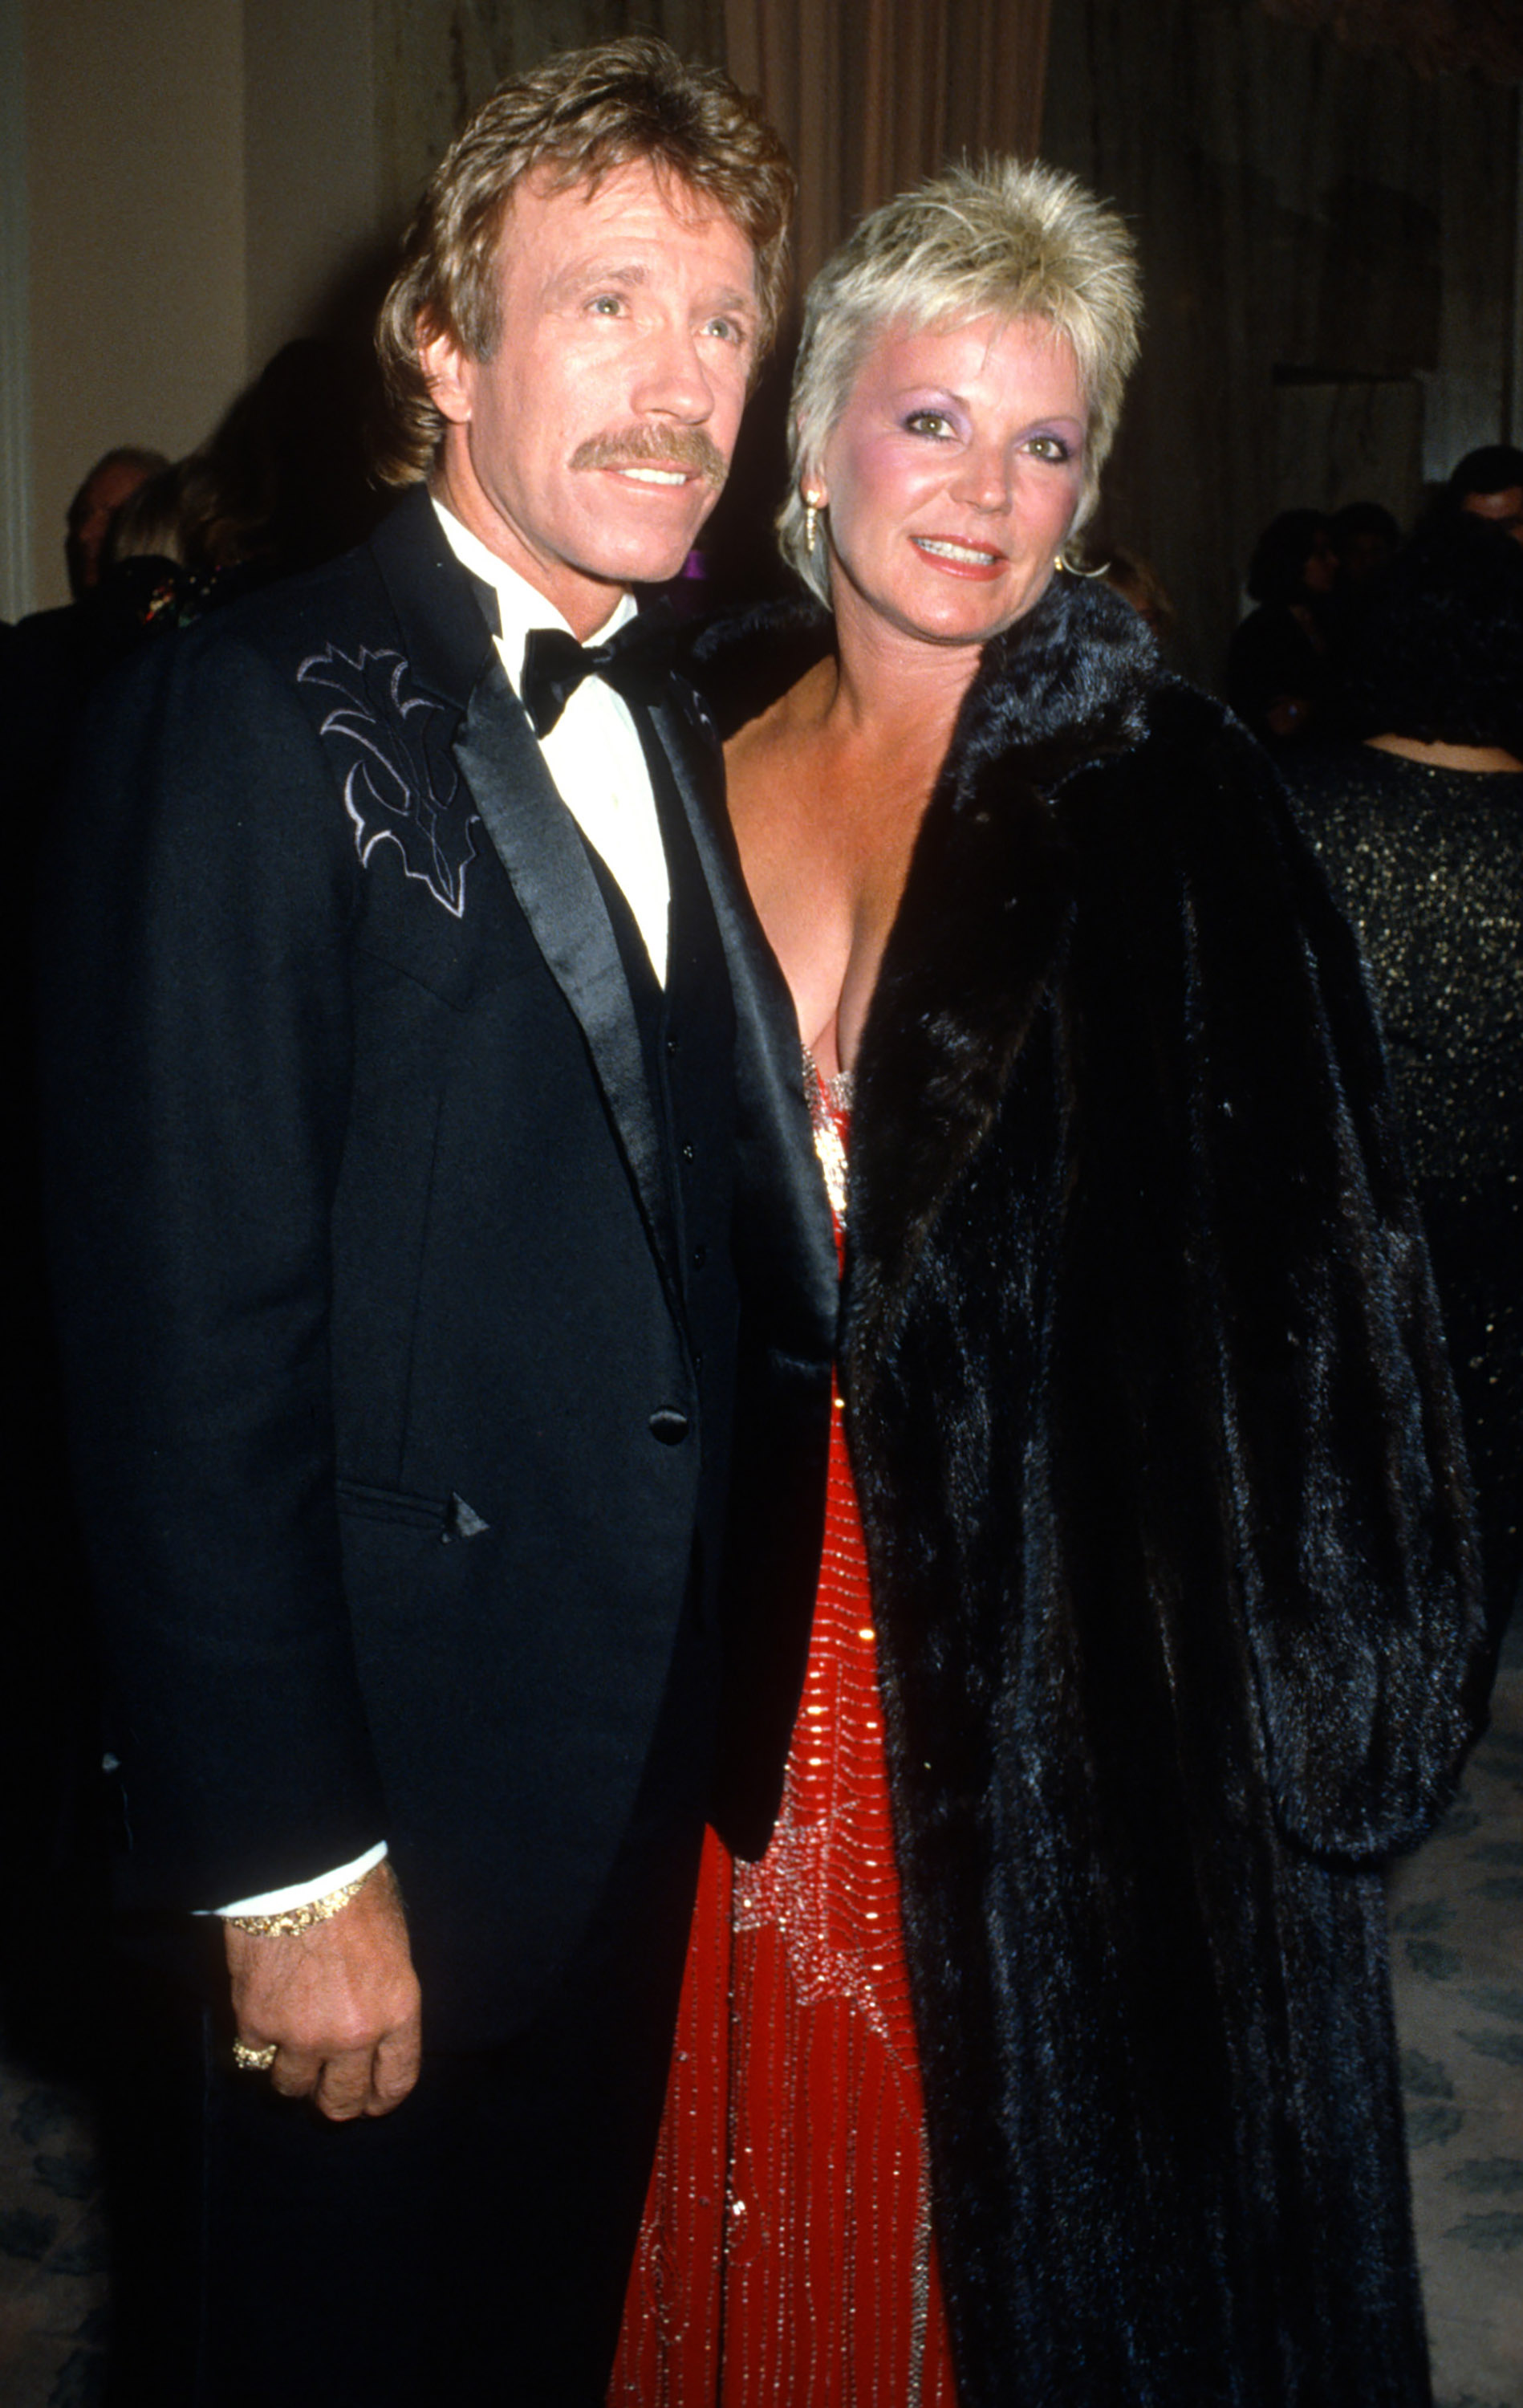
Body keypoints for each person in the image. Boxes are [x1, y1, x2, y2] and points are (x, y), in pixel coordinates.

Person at [612, 159, 1488, 2405]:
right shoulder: (680, 761)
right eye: (933, 422)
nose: (988, 495)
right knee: (706, 2174)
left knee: (1026, 2225)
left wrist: (1357, 1690)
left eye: (1047, 440)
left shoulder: (1163, 790)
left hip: (1061, 1677)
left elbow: (1331, 1275)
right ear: (814, 442)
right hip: (712, 1631)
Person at [39, 39, 834, 2407]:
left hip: (608, 1769)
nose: (679, 387)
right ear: (443, 345)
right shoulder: (258, 710)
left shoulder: (679, 711)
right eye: (605, 304)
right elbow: (181, 1338)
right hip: (375, 1789)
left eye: (718, 324)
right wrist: (284, 1871)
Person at [1282, 515, 1523, 1646]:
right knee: (1480, 1525)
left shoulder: (1289, 806)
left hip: (1326, 1244)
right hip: (1501, 1259)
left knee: (1327, 1532)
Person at [1226, 505, 1340, 742]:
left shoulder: (1333, 618)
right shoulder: (1261, 632)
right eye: (1320, 554)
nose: (1333, 562)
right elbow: (1260, 715)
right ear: (1294, 561)